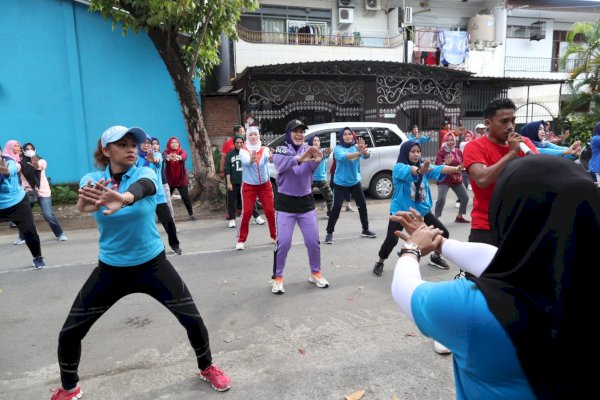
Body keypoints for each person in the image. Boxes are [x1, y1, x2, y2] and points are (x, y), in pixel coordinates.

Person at [390, 154, 598, 399]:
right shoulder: (568, 277)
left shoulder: (477, 310)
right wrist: (440, 243)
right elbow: (494, 259)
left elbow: (405, 289)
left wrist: (412, 248)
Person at [49, 126, 230, 400]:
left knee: (193, 321)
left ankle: (207, 367)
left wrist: (123, 198)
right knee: (69, 334)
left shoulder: (145, 173)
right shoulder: (95, 179)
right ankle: (70, 388)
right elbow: (84, 202)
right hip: (110, 271)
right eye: (122, 144)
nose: (131, 148)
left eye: (133, 143)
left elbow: (144, 188)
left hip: (152, 266)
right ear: (106, 150)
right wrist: (84, 204)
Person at [372, 140, 455, 278]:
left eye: (418, 151)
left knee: (443, 233)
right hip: (401, 211)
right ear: (405, 152)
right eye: (412, 151)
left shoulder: (424, 167)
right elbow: (411, 170)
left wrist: (458, 168)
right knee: (392, 240)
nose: (416, 154)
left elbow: (439, 169)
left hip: (421, 211)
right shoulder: (399, 168)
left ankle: (435, 257)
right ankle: (380, 261)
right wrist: (419, 171)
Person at [462, 98, 538, 246]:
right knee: (482, 269)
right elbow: (482, 179)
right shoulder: (475, 146)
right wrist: (511, 153)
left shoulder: (524, 143)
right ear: (488, 123)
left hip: (519, 223)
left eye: (513, 120)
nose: (510, 126)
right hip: (486, 225)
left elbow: (541, 173)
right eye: (504, 121)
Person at [271, 119, 329, 294]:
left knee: (313, 241)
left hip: (305, 202)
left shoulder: (309, 149)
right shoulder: (281, 149)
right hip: (285, 204)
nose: (299, 134)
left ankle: (315, 273)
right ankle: (278, 278)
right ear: (289, 134)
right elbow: (281, 165)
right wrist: (302, 158)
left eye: (302, 131)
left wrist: (317, 159)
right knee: (284, 243)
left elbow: (311, 168)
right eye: (295, 131)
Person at [325, 127, 376, 244]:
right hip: (340, 183)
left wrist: (364, 151)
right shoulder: (338, 149)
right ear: (341, 136)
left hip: (355, 182)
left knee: (362, 205)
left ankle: (365, 229)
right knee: (336, 208)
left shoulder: (356, 146)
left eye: (350, 134)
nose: (348, 136)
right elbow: (346, 157)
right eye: (345, 134)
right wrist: (360, 152)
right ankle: (329, 233)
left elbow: (366, 156)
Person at [1, 141, 45, 269]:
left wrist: (7, 171)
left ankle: (38, 257)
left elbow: (14, 168)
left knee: (29, 231)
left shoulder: (10, 162)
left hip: (17, 203)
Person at [13, 142, 68, 244]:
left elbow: (41, 166)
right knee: (24, 215)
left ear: (35, 150)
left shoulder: (41, 160)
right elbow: (13, 168)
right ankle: (22, 237)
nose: (29, 150)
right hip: (28, 192)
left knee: (48, 215)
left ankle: (60, 234)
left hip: (43, 191)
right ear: (23, 151)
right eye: (27, 148)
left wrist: (36, 165)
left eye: (31, 148)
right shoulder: (20, 163)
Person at [138, 137, 182, 255]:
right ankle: (154, 248)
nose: (146, 145)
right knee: (146, 224)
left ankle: (175, 245)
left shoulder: (157, 155)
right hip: (143, 198)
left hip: (158, 196)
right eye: (143, 143)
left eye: (148, 143)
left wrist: (153, 160)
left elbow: (158, 162)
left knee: (168, 222)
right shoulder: (136, 159)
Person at [236, 126, 276, 250]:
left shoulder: (265, 149)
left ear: (259, 136)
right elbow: (246, 162)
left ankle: (275, 236)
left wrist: (270, 159)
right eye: (251, 135)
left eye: (255, 134)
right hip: (249, 186)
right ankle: (240, 240)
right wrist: (252, 160)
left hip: (265, 185)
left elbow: (267, 161)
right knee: (247, 212)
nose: (253, 137)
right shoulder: (243, 150)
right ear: (247, 137)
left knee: (270, 211)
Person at [224, 134, 263, 228]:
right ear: (234, 143)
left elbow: (252, 165)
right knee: (231, 201)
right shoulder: (230, 155)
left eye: (241, 142)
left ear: (243, 143)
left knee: (250, 200)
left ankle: (257, 217)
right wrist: (228, 182)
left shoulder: (246, 153)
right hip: (234, 181)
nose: (239, 144)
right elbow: (227, 169)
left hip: (246, 180)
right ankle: (232, 219)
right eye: (237, 142)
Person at [434, 132, 470, 223]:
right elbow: (437, 165)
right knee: (441, 199)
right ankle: (435, 219)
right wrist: (446, 163)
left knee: (465, 197)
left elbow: (462, 163)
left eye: (452, 140)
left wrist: (463, 166)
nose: (450, 142)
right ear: (445, 141)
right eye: (448, 140)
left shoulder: (458, 151)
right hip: (444, 180)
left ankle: (459, 216)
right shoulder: (441, 152)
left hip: (457, 179)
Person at [163, 136, 195, 220]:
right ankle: (163, 216)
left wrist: (179, 157)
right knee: (165, 199)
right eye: (172, 142)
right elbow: (163, 156)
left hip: (181, 179)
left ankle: (191, 214)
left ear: (178, 144)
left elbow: (184, 155)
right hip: (170, 180)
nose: (174, 144)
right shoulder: (166, 152)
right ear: (169, 144)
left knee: (185, 197)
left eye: (176, 142)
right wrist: (168, 157)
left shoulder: (181, 151)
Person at [308, 136, 333, 217]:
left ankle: (330, 213)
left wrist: (329, 151)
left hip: (321, 179)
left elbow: (327, 154)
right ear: (311, 142)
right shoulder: (307, 152)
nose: (316, 142)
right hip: (310, 179)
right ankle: (308, 213)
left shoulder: (322, 151)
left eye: (318, 141)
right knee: (307, 197)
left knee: (329, 196)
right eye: (314, 140)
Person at [151, 137, 175, 220]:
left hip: (163, 183)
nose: (155, 146)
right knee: (152, 206)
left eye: (157, 144)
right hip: (152, 184)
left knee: (168, 204)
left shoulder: (162, 154)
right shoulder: (145, 158)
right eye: (152, 144)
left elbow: (162, 159)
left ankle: (173, 225)